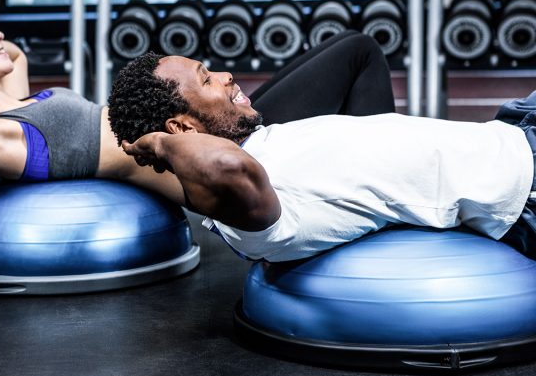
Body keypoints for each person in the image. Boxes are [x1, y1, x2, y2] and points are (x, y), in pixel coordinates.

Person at [0, 0, 394, 207]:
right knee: (358, 52)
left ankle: (363, 173)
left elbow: (15, 54)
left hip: (207, 128)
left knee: (344, 46)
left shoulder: (13, 104)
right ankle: (386, 186)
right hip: (214, 159)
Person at [108, 52, 536, 262]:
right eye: (208, 80)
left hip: (512, 127)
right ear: (183, 130)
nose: (225, 76)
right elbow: (225, 167)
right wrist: (158, 144)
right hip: (524, 180)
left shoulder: (262, 142)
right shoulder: (256, 210)